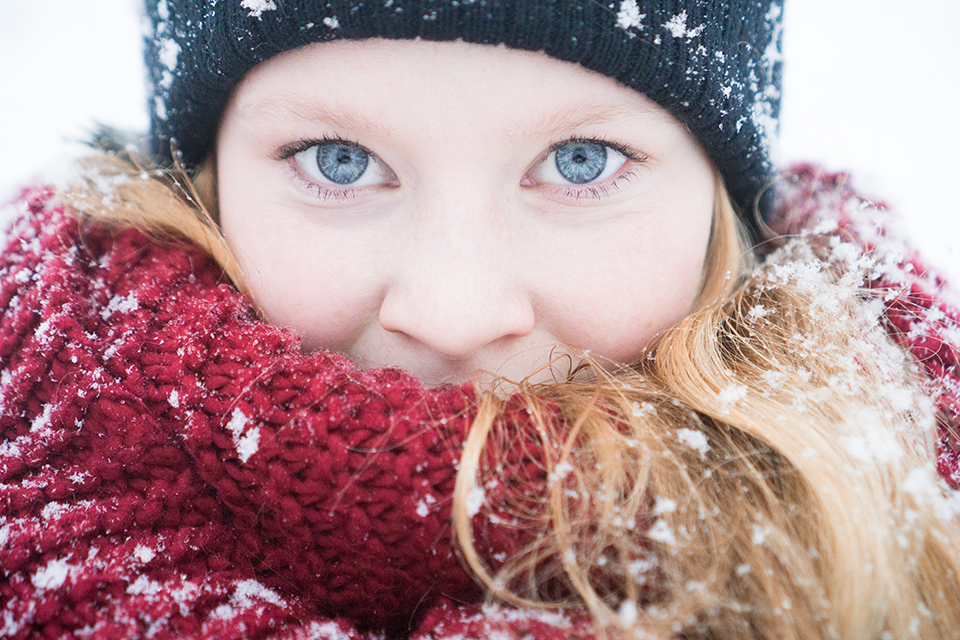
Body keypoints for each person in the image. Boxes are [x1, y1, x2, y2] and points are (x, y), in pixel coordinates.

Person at [1, 1, 959, 638]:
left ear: (720, 203)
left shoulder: (904, 518)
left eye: (581, 160)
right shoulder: (37, 448)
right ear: (202, 181)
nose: (455, 314)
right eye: (337, 160)